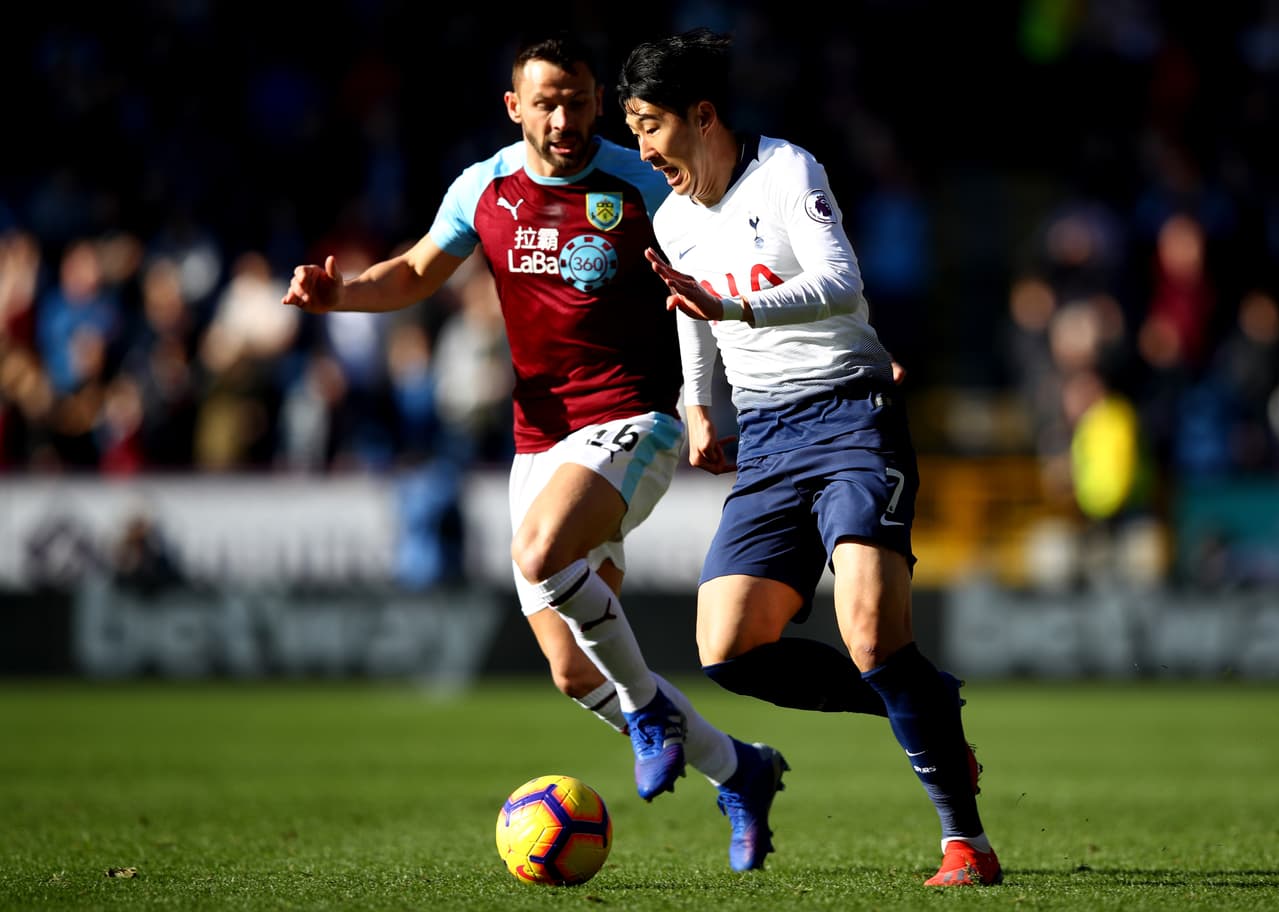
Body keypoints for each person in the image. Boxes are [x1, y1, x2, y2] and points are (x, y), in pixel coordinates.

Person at [282, 32, 787, 872]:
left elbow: (716, 277)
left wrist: (722, 393)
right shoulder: (484, 187)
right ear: (514, 106)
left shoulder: (638, 180)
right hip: (537, 442)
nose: (564, 117)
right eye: (547, 102)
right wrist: (343, 295)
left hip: (631, 421)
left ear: (598, 101)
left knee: (544, 553)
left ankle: (652, 714)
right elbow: (413, 271)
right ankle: (741, 770)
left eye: (579, 100)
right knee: (570, 669)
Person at [617, 27, 1003, 887]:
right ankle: (925, 708)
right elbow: (690, 304)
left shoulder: (788, 171)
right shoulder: (673, 213)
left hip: (852, 417)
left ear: (703, 114)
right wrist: (697, 401)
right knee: (729, 649)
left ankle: (965, 845)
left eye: (651, 125)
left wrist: (734, 310)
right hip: (767, 438)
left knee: (870, 633)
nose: (644, 147)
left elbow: (842, 283)